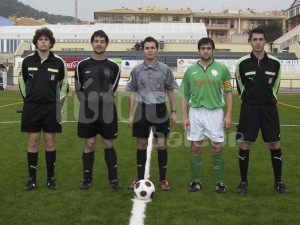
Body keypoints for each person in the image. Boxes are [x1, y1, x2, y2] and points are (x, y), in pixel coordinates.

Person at [235, 27, 289, 194]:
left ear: (265, 41)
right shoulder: (242, 63)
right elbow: (240, 87)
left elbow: (276, 87)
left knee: (275, 144)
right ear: (250, 42)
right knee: (245, 144)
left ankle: (278, 182)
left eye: (261, 39)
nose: (258, 42)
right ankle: (243, 182)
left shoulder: (276, 63)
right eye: (254, 39)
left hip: (269, 109)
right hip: (249, 109)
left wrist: (267, 99)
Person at [178, 37, 233, 193]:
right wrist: (185, 116)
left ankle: (220, 183)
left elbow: (229, 93)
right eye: (203, 48)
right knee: (195, 147)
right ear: (199, 50)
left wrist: (228, 115)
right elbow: (185, 95)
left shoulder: (223, 70)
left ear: (213, 50)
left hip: (215, 113)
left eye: (208, 48)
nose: (206, 51)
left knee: (216, 148)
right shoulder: (190, 71)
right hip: (195, 112)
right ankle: (196, 182)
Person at [19, 27, 69, 191]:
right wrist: (28, 100)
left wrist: (58, 104)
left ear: (51, 42)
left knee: (49, 141)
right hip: (32, 108)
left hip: (50, 108)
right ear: (36, 42)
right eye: (40, 39)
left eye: (46, 39)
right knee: (33, 141)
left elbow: (64, 85)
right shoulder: (27, 61)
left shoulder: (58, 62)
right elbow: (22, 83)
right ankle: (31, 180)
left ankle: (50, 179)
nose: (43, 41)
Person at [126, 36, 178, 191]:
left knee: (161, 145)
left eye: (152, 47)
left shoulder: (165, 69)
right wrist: (130, 114)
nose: (150, 50)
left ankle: (163, 180)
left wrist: (174, 111)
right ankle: (140, 179)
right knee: (142, 144)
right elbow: (133, 91)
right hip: (142, 109)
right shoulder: (137, 70)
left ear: (157, 49)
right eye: (147, 48)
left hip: (160, 110)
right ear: (143, 50)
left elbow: (170, 89)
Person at [75, 30, 121, 190]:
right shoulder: (82, 65)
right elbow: (78, 88)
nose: (99, 43)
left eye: (102, 41)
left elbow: (113, 89)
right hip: (88, 110)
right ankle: (87, 179)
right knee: (89, 143)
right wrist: (87, 104)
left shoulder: (114, 66)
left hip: (107, 110)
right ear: (92, 43)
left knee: (108, 143)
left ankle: (113, 180)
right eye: (96, 41)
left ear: (106, 44)